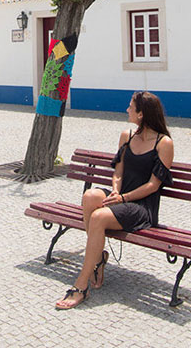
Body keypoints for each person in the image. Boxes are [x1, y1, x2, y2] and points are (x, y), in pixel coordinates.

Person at [55, 90, 175, 309]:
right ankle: (98, 258)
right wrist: (115, 191)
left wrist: (124, 198)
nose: (127, 109)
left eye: (131, 106)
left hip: (141, 206)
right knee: (90, 196)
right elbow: (118, 171)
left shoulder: (163, 143)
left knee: (99, 217)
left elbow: (153, 185)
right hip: (120, 196)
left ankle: (81, 285)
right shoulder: (126, 135)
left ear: (141, 114)